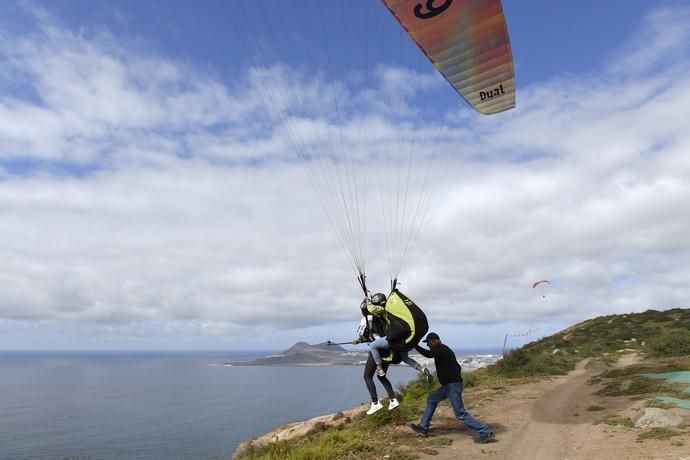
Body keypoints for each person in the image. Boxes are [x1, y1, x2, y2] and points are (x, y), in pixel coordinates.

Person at [410, 332, 496, 443]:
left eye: (428, 343)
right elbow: (457, 367)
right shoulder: (442, 350)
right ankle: (423, 427)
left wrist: (415, 345)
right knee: (432, 399)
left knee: (460, 414)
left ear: (434, 341)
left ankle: (485, 432)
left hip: (453, 386)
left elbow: (428, 354)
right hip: (448, 386)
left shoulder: (441, 348)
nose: (428, 345)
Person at [365, 292, 433, 383]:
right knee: (405, 358)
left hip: (396, 339)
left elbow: (372, 309)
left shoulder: (384, 309)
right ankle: (422, 369)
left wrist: (367, 300)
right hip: (405, 339)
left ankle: (379, 368)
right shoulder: (394, 308)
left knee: (373, 345)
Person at [353, 301, 400, 415]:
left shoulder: (365, 319)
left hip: (377, 350)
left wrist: (359, 339)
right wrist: (362, 340)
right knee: (381, 376)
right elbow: (375, 335)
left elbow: (361, 333)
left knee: (367, 376)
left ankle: (375, 403)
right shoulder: (382, 317)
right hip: (387, 349)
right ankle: (393, 400)